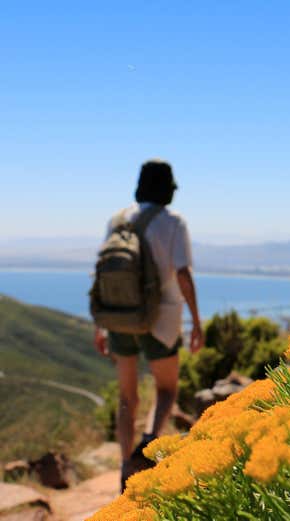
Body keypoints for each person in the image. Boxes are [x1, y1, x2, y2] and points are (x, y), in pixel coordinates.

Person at [93, 159, 204, 491]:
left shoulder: (117, 219)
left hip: (119, 318)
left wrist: (99, 325)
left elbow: (104, 276)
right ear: (168, 189)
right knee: (167, 388)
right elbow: (183, 274)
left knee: (126, 398)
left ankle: (125, 465)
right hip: (162, 321)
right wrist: (196, 322)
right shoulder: (173, 223)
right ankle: (149, 442)